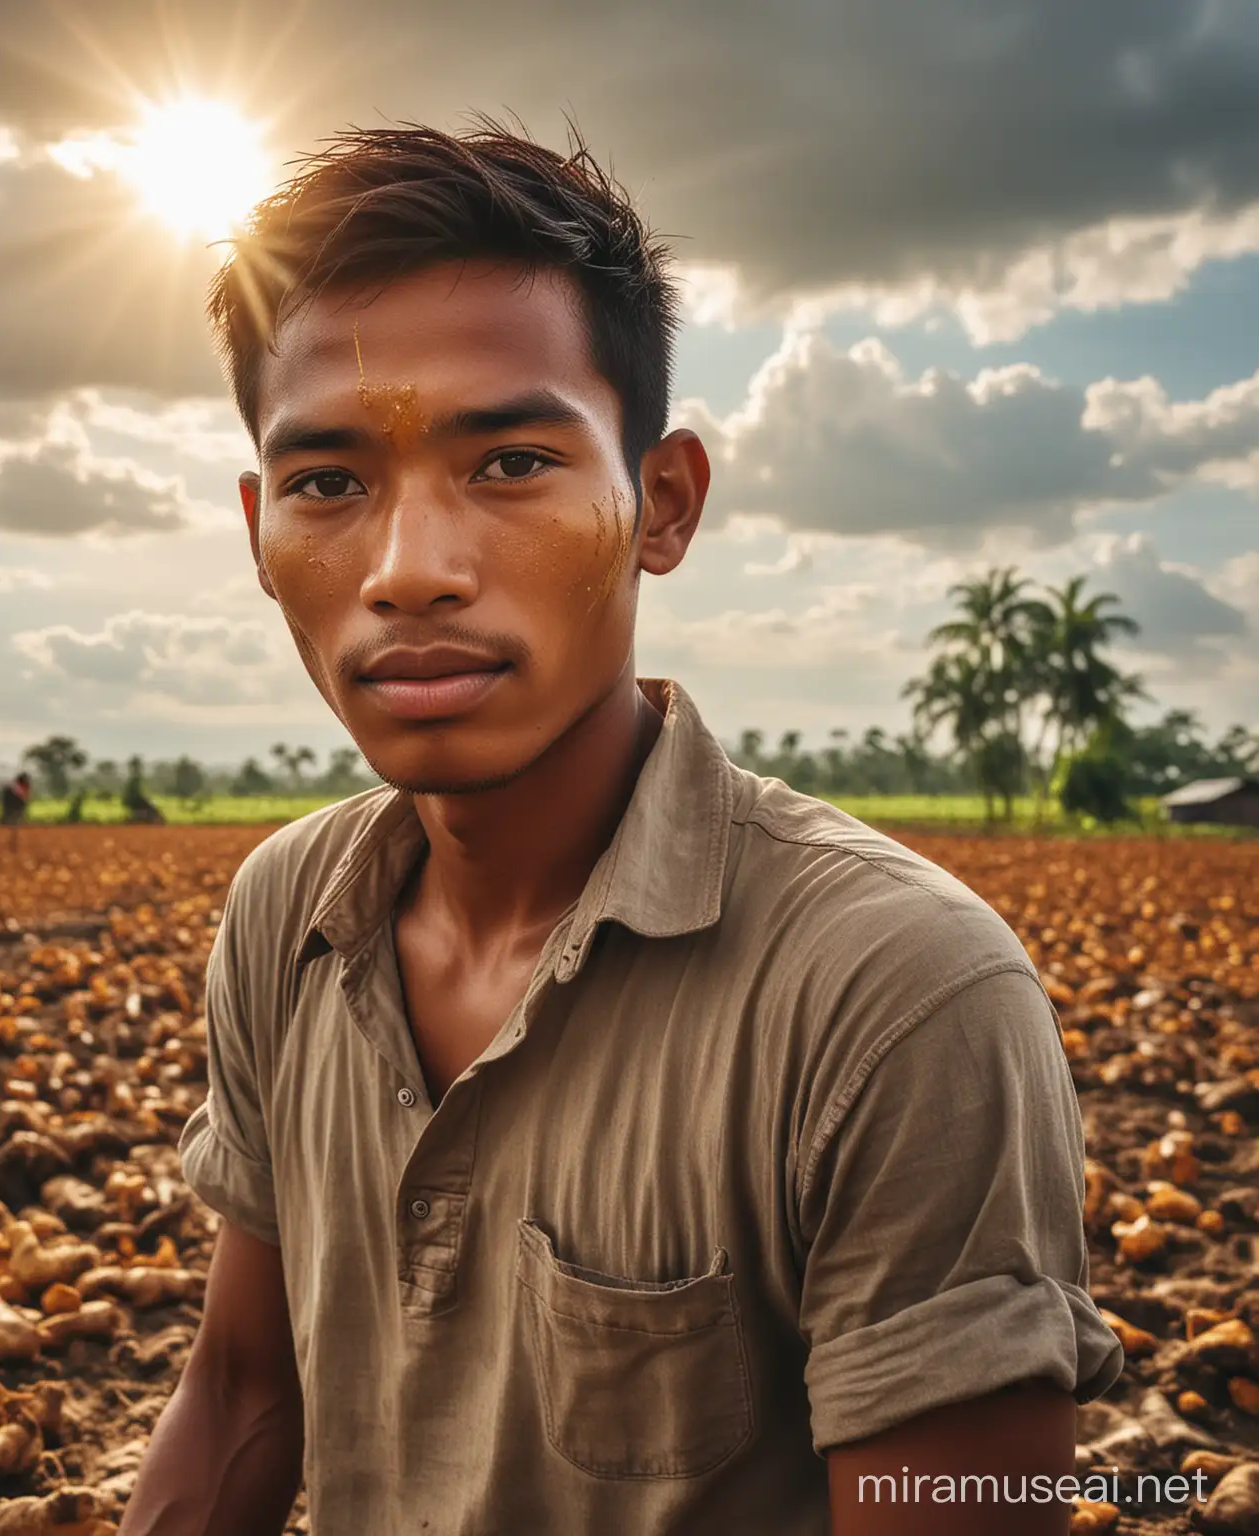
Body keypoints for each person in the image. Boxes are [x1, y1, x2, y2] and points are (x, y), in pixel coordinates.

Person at [121, 122, 1122, 1536]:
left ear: (659, 504)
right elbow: (236, 1396)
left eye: (513, 460)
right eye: (330, 483)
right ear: (258, 528)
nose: (407, 571)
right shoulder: (290, 913)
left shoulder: (895, 994)